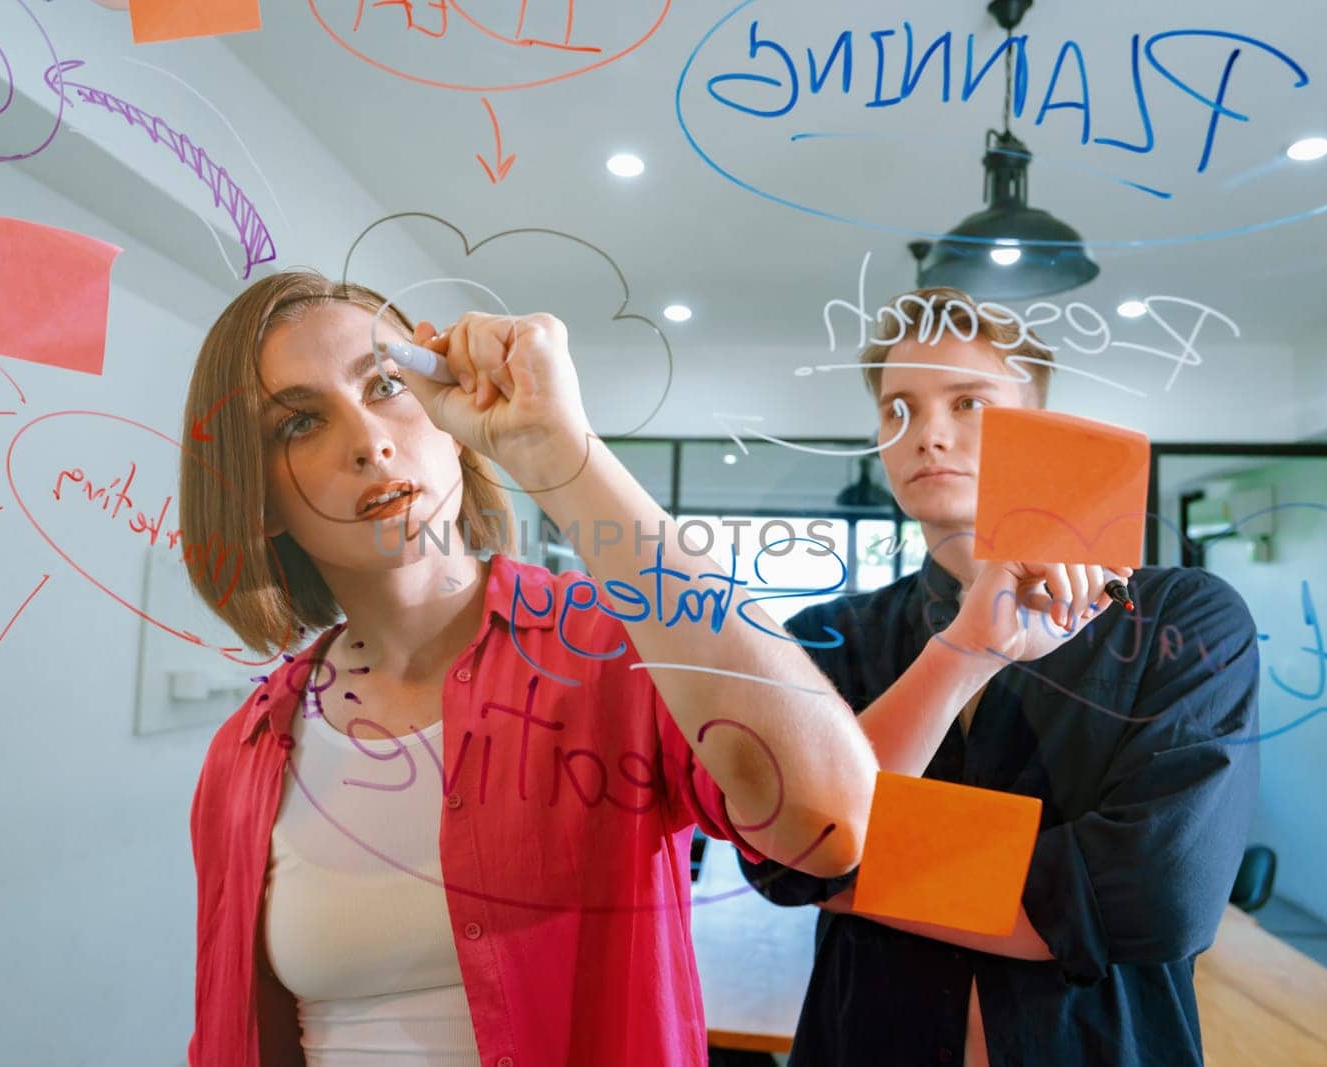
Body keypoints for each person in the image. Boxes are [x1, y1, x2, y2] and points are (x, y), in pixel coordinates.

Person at [178, 271, 878, 1067]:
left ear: (449, 416)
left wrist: (562, 455)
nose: (368, 439)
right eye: (299, 423)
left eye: (386, 384)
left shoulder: (616, 649)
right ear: (256, 496)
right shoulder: (246, 752)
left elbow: (828, 822)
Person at [741, 286, 1260, 1066]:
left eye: (969, 403)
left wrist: (861, 862)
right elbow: (784, 857)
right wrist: (963, 655)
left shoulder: (1185, 622)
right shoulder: (829, 635)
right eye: (898, 409)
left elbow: (1155, 896)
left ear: (1036, 424)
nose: (928, 434)